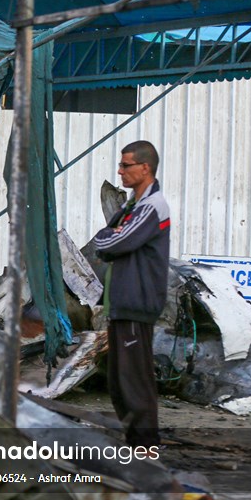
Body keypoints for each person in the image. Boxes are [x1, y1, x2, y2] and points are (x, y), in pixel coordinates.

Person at [93, 140, 171, 448]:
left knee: (135, 380)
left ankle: (145, 445)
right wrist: (108, 238)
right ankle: (133, 442)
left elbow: (113, 243)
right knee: (119, 381)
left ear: (145, 168)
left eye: (126, 165)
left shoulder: (153, 207)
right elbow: (110, 240)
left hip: (137, 304)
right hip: (122, 304)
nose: (120, 170)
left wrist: (107, 238)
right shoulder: (133, 206)